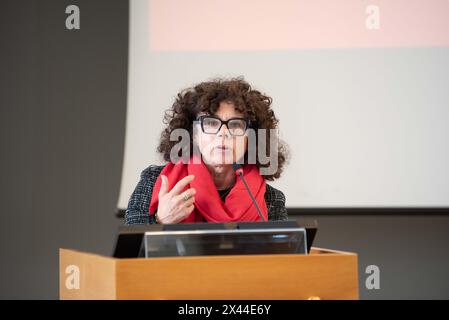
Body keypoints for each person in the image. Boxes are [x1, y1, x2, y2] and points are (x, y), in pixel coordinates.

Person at [125, 77, 289, 225]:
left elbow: (282, 255)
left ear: (251, 139)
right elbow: (130, 249)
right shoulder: (155, 181)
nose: (223, 133)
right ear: (193, 134)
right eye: (211, 123)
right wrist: (159, 220)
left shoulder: (269, 199)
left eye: (236, 125)